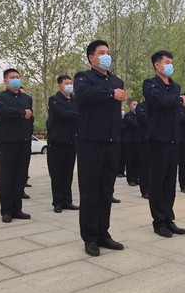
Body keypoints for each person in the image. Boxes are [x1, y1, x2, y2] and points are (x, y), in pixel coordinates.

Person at [74, 40, 127, 256]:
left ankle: (103, 232)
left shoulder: (117, 80)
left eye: (108, 52)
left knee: (106, 191)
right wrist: (111, 94)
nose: (106, 55)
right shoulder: (83, 78)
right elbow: (84, 95)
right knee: (90, 191)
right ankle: (90, 237)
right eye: (101, 52)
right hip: (90, 142)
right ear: (91, 58)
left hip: (112, 142)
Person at [143, 50, 185, 238]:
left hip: (173, 139)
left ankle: (169, 218)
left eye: (171, 62)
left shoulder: (175, 86)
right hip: (158, 139)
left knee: (170, 182)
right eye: (167, 62)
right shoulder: (150, 84)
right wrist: (179, 100)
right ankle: (159, 221)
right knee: (157, 181)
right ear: (157, 65)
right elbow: (160, 101)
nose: (170, 65)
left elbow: (172, 105)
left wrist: (177, 99)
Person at [0, 69, 34, 223]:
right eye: (12, 77)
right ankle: (6, 210)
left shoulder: (27, 98)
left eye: (17, 77)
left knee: (20, 176)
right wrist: (22, 113)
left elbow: (30, 117)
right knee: (7, 176)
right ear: (5, 80)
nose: (16, 79)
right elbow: (2, 111)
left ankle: (17, 209)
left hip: (24, 141)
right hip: (7, 142)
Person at [46, 75, 80, 213]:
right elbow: (60, 114)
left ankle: (67, 201)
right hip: (57, 142)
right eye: (66, 83)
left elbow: (81, 114)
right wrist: (76, 115)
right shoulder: (54, 100)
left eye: (70, 83)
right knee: (57, 173)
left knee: (68, 173)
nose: (69, 85)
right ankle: (57, 202)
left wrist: (74, 114)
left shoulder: (76, 100)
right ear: (60, 85)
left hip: (72, 141)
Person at [123, 100, 140, 186]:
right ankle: (131, 179)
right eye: (134, 104)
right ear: (130, 106)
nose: (136, 106)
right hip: (130, 141)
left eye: (136, 104)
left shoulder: (139, 115)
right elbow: (134, 124)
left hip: (138, 141)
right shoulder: (128, 116)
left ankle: (136, 178)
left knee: (137, 161)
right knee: (130, 161)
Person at [135, 99, 149, 199]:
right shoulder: (140, 107)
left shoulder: (156, 105)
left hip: (154, 139)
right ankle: (145, 190)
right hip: (144, 139)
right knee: (144, 166)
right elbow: (144, 119)